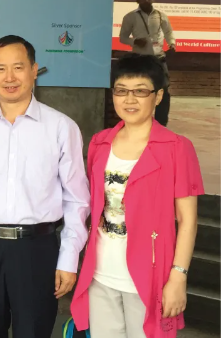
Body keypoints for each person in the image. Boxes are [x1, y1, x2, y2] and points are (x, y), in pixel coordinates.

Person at [0, 35, 90, 338]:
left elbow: (76, 199)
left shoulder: (61, 127)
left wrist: (69, 257)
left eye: (18, 67)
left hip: (37, 250)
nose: (9, 78)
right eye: (1, 69)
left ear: (34, 70)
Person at [70, 53, 203, 338]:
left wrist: (178, 276)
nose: (129, 100)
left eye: (140, 91)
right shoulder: (100, 143)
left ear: (158, 97)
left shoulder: (177, 148)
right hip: (100, 273)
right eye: (121, 91)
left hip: (151, 277)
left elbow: (188, 221)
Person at [119, 0, 176, 126]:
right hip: (140, 59)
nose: (146, 0)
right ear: (137, 0)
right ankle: (140, 121)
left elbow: (168, 32)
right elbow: (122, 37)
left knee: (163, 91)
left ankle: (161, 124)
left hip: (159, 59)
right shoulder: (130, 17)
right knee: (140, 90)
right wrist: (134, 41)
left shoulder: (161, 15)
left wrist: (172, 44)